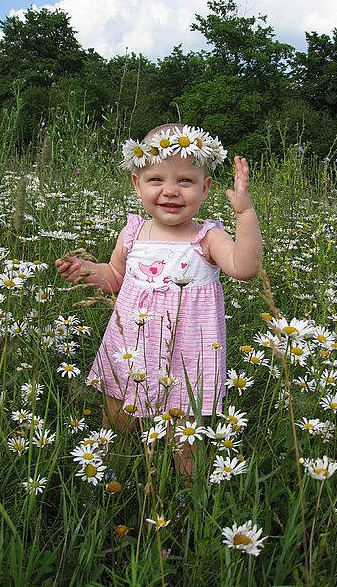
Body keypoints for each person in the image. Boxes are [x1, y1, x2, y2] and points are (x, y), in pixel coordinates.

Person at [56, 123, 262, 481]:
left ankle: (185, 497)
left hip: (187, 350)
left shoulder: (207, 237)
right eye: (156, 181)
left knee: (184, 434)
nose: (170, 191)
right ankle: (106, 476)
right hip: (130, 346)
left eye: (185, 181)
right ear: (137, 184)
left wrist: (244, 214)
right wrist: (89, 270)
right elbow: (116, 277)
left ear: (205, 187)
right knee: (116, 412)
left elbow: (245, 268)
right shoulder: (133, 232)